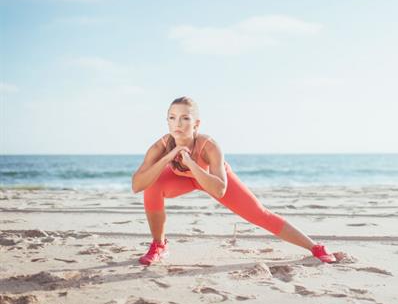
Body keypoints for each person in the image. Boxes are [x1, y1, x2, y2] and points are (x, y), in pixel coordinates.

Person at [131, 96, 337, 265]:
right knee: (153, 185)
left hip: (212, 179)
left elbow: (219, 189)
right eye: (172, 118)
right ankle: (159, 245)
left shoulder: (209, 146)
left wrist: (191, 163)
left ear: (196, 124)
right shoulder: (161, 146)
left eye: (185, 118)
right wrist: (168, 157)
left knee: (259, 214)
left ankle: (315, 247)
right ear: (167, 121)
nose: (177, 124)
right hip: (183, 180)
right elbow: (136, 185)